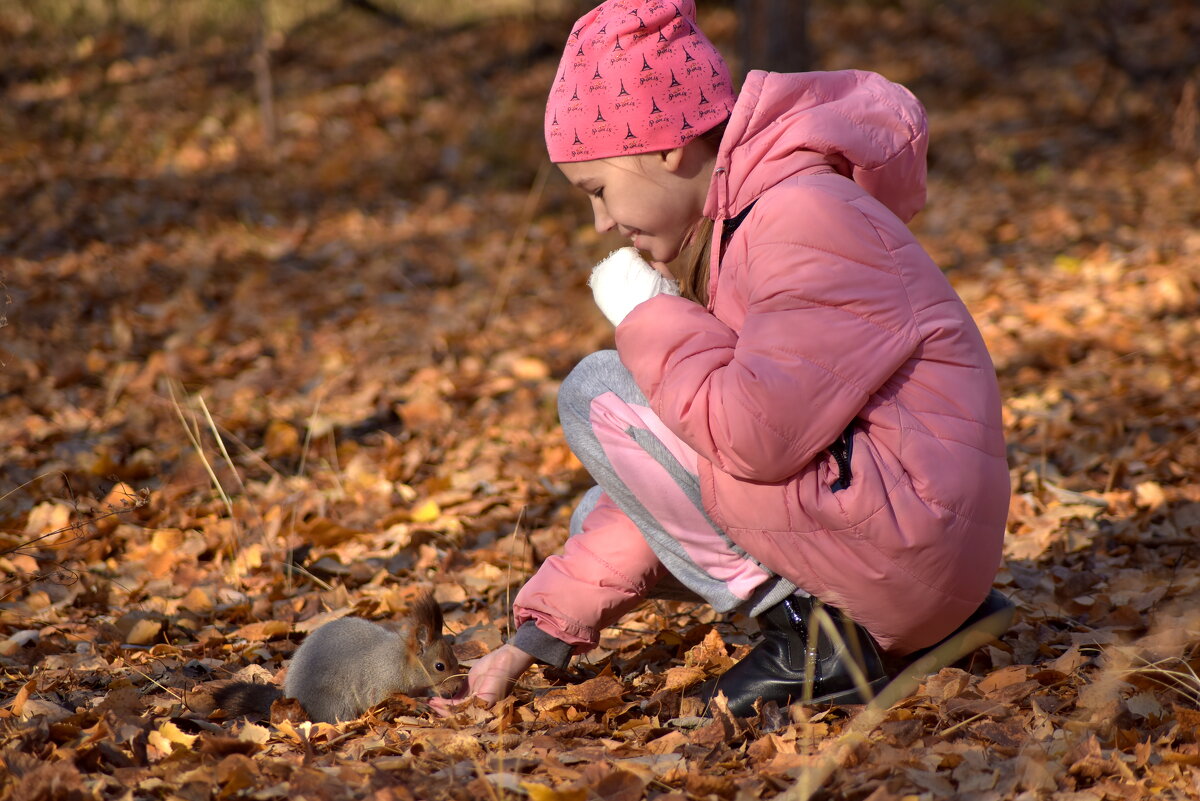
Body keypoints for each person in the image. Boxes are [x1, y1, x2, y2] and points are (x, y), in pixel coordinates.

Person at [439, 0, 1014, 717]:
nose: (601, 223)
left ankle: (820, 642)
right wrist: (534, 639)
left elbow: (755, 438)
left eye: (599, 190)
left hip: (906, 546)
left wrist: (648, 315)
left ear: (665, 148)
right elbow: (678, 460)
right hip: (912, 550)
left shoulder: (800, 218)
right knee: (613, 495)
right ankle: (885, 628)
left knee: (598, 392)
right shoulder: (750, 221)